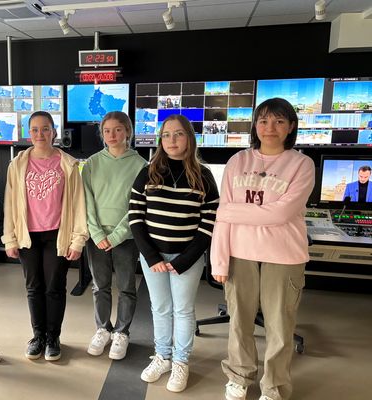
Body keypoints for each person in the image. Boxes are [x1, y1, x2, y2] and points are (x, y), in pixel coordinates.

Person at [210, 97, 315, 400]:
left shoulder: (301, 164)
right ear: (255, 125)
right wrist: (219, 261)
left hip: (284, 257)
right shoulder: (238, 161)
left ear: (290, 127)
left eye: (280, 121)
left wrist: (231, 211)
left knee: (280, 328)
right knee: (239, 323)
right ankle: (239, 376)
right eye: (264, 120)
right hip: (239, 254)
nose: (271, 127)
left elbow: (281, 214)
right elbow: (223, 219)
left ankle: (274, 387)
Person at [129, 114, 219, 392]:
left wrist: (185, 260)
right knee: (160, 308)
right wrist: (152, 256)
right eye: (166, 135)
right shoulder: (149, 171)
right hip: (153, 257)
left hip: (187, 258)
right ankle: (163, 356)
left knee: (182, 310)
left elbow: (208, 222)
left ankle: (181, 361)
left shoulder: (203, 175)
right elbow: (135, 215)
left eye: (178, 134)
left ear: (189, 138)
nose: (171, 140)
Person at [1, 111, 88, 361]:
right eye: (36, 129)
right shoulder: (17, 164)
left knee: (54, 288)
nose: (41, 134)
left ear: (54, 132)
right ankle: (38, 336)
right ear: (30, 134)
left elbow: (79, 204)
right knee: (33, 287)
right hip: (28, 236)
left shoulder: (68, 165)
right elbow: (9, 203)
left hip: (57, 235)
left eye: (46, 129)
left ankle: (53, 337)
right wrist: (10, 238)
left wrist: (78, 240)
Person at [82, 111, 147, 360]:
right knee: (100, 286)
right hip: (97, 237)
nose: (112, 135)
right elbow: (86, 201)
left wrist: (118, 235)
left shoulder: (140, 165)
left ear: (128, 132)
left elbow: (137, 206)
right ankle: (102, 329)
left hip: (126, 237)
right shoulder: (91, 163)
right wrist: (97, 234)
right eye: (107, 130)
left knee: (127, 287)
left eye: (118, 129)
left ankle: (121, 332)